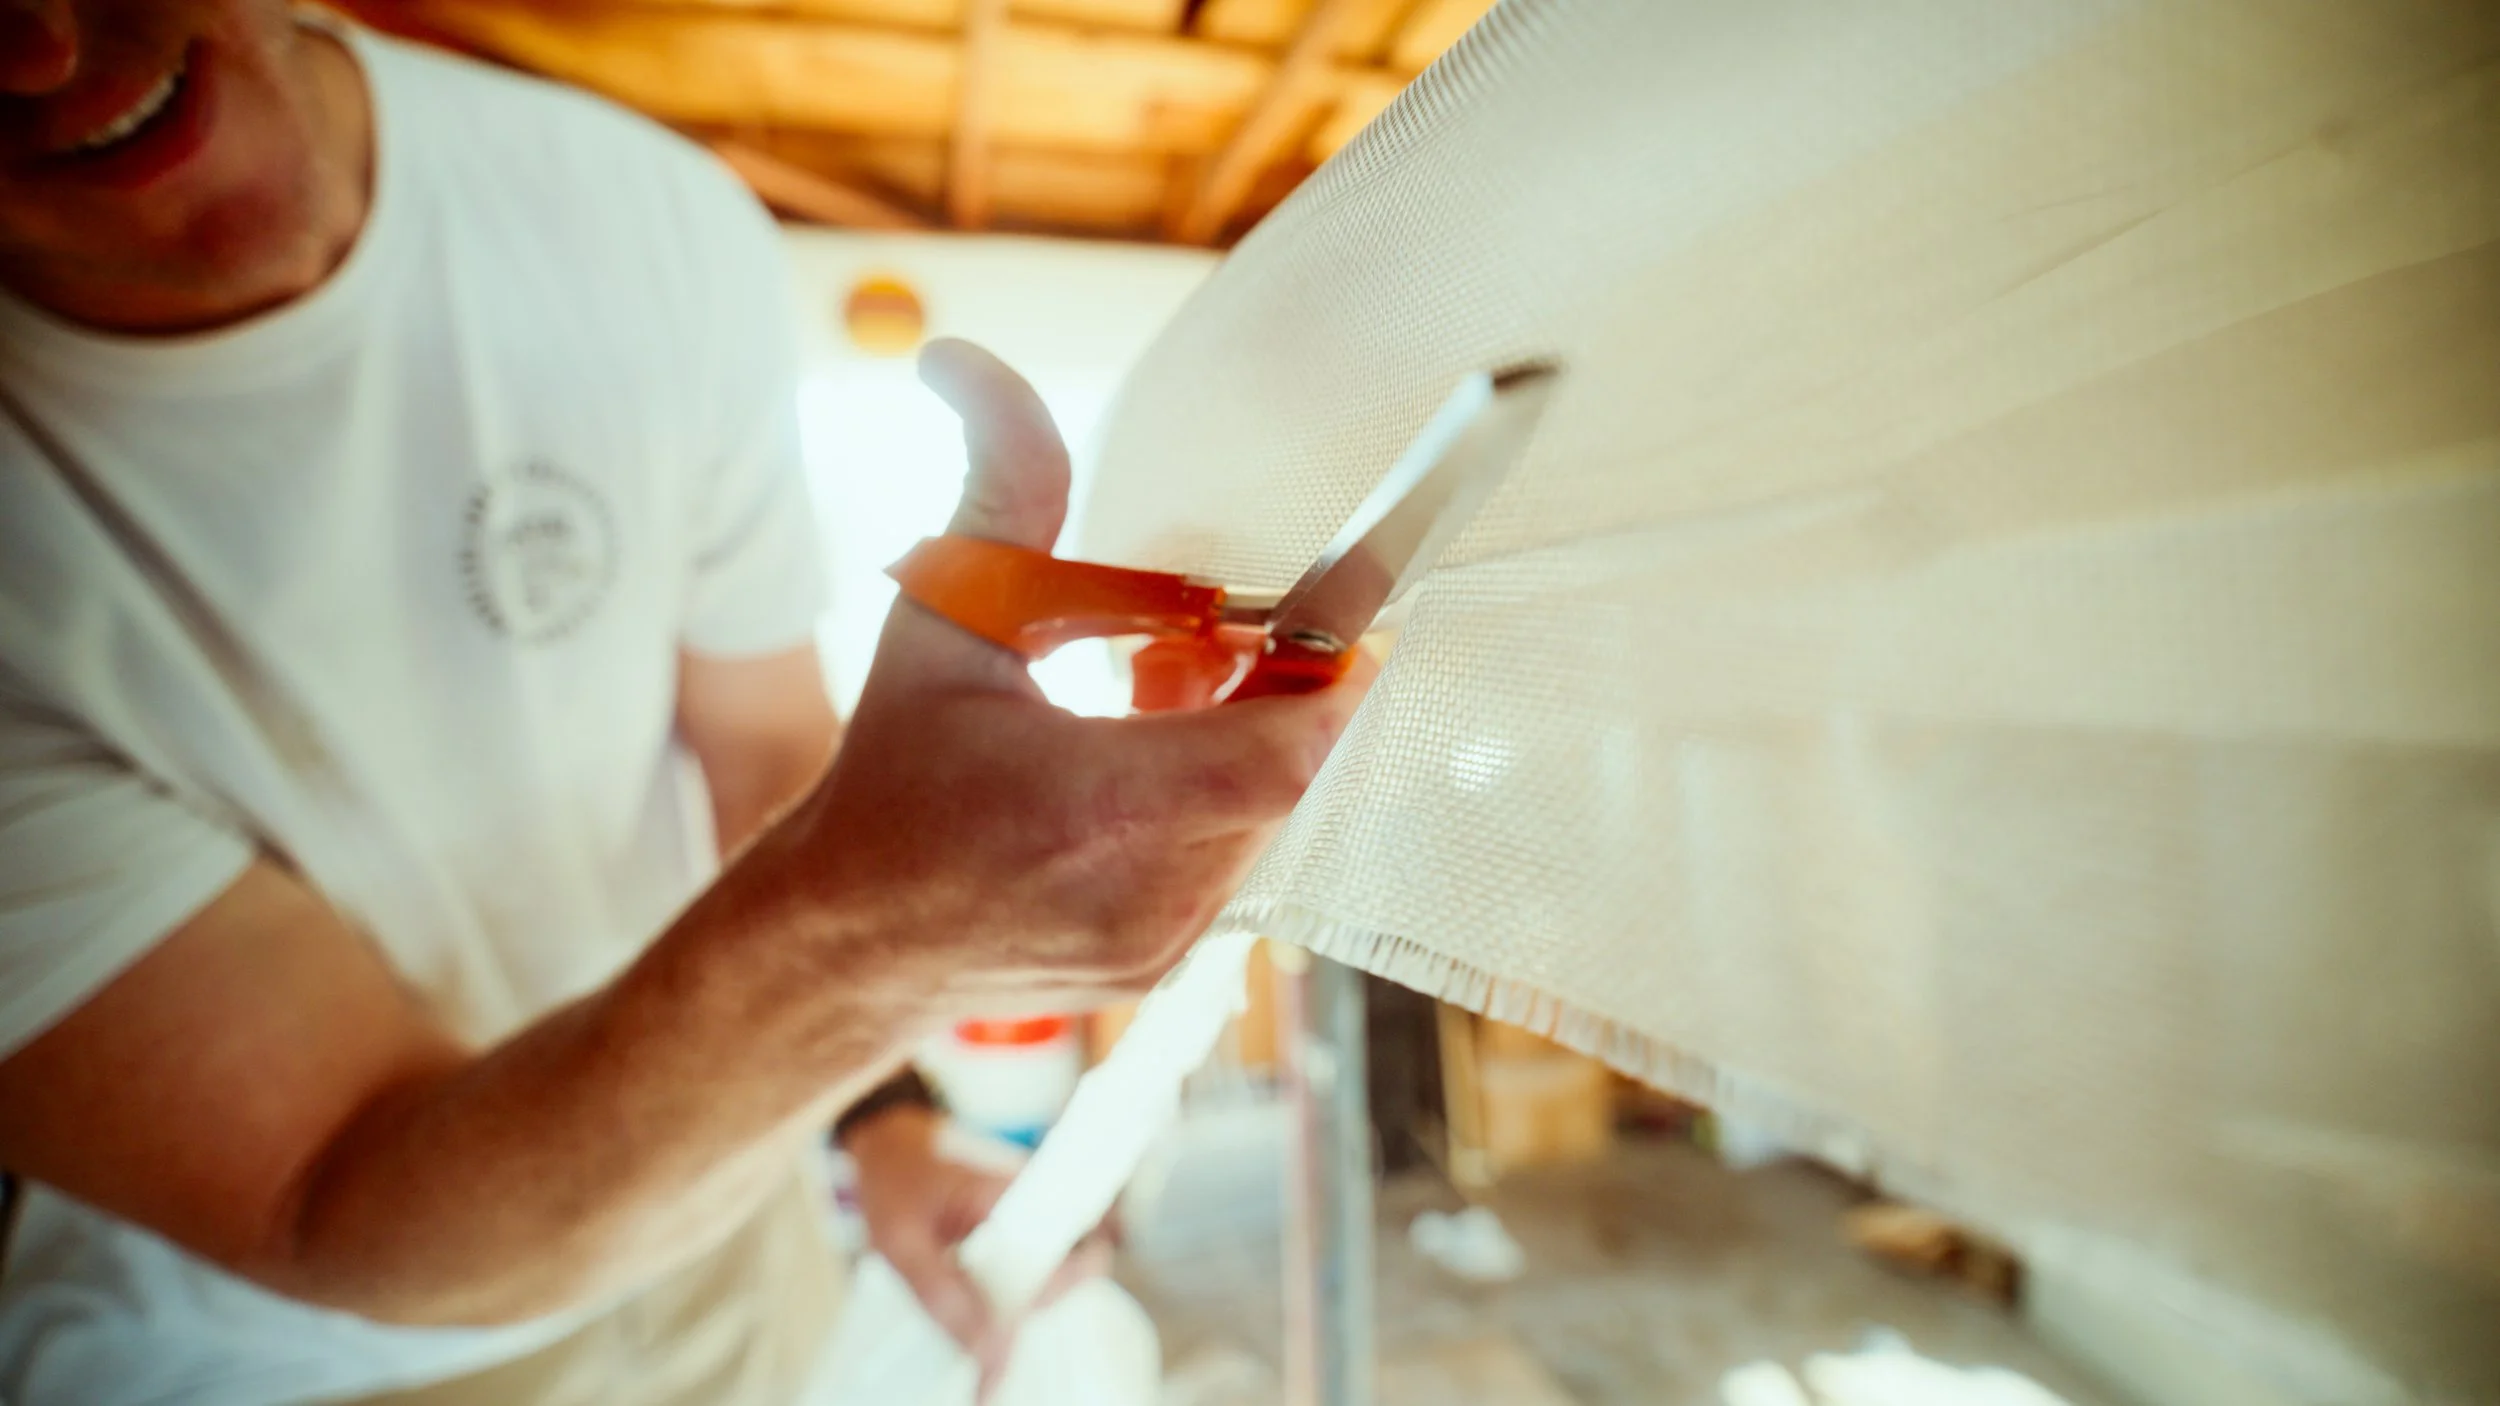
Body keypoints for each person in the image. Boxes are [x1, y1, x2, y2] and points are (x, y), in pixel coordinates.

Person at [0, 3, 1367, 1402]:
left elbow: (762, 750)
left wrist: (881, 1117)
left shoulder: (630, 216)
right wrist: (870, 928)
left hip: (735, 1238)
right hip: (288, 1357)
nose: (38, 55)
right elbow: (326, 1197)